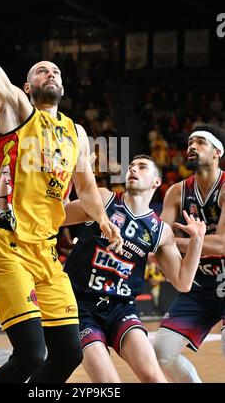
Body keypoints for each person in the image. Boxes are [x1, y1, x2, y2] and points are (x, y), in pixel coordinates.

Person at [0, 0, 123, 384]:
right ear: (28, 86)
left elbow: (86, 188)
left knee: (69, 352)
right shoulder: (15, 109)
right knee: (32, 354)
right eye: (40, 70)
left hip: (48, 253)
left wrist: (103, 219)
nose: (49, 72)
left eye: (54, 70)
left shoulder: (76, 132)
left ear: (63, 84)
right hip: (8, 246)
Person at [63, 155, 206, 383]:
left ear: (156, 182)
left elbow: (183, 282)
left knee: (154, 377)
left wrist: (197, 241)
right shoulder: (103, 199)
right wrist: (69, 178)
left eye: (141, 167)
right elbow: (56, 217)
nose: (133, 170)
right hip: (80, 307)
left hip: (120, 309)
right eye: (130, 167)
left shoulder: (160, 231)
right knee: (109, 384)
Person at [153, 124, 225, 382]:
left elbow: (223, 244)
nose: (191, 147)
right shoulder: (176, 191)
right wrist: (187, 243)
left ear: (217, 151)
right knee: (160, 352)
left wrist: (189, 241)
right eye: (189, 143)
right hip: (200, 284)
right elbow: (160, 239)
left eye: (200, 142)